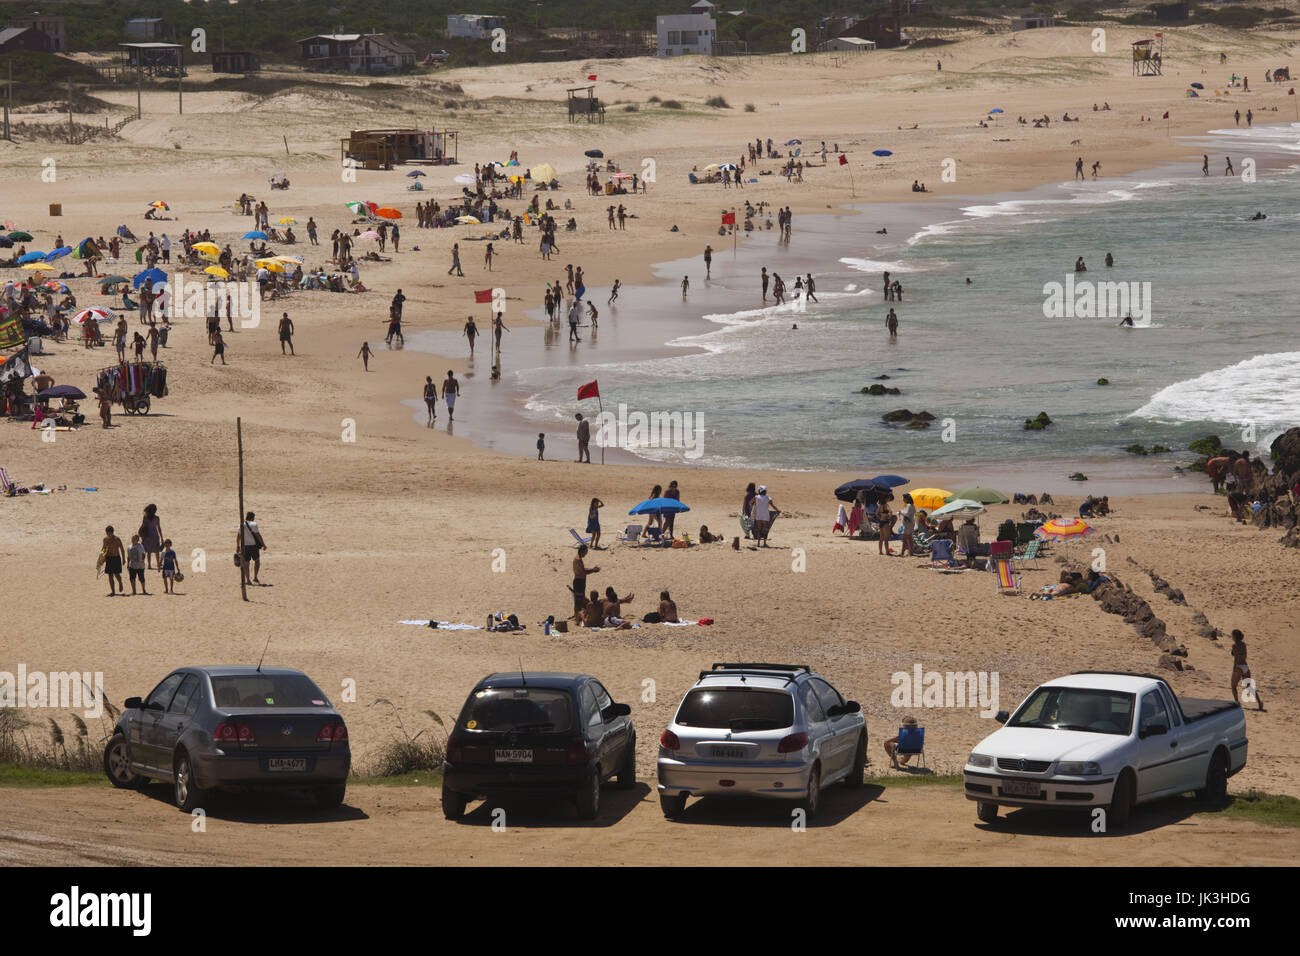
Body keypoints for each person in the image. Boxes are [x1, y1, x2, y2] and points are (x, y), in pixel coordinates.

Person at [571, 545, 600, 620]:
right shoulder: (578, 560)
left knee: (580, 599)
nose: (586, 554)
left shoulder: (578, 558)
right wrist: (593, 570)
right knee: (578, 601)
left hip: (580, 581)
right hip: (579, 582)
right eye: (585, 552)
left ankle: (577, 615)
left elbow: (583, 569)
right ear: (582, 551)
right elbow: (583, 571)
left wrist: (592, 569)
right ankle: (577, 617)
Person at [238, 511, 265, 586]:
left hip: (245, 546)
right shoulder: (254, 524)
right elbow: (258, 535)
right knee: (257, 561)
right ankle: (255, 577)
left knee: (246, 563)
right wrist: (263, 544)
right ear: (253, 517)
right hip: (253, 546)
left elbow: (238, 536)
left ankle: (248, 580)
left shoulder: (241, 525)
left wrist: (237, 546)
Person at [102, 526, 125, 597]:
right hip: (109, 558)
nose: (108, 535)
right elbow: (103, 548)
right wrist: (101, 558)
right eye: (107, 533)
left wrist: (124, 559)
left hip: (116, 558)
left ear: (112, 532)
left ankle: (120, 582)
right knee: (110, 575)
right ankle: (113, 591)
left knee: (117, 574)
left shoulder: (117, 539)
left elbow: (122, 549)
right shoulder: (105, 539)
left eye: (109, 533)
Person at [138, 503, 163, 570]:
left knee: (148, 551)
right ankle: (158, 564)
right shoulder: (157, 518)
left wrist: (141, 536)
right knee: (156, 551)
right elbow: (159, 528)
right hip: (155, 535)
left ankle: (149, 565)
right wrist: (161, 537)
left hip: (147, 536)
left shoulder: (145, 518)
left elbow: (143, 526)